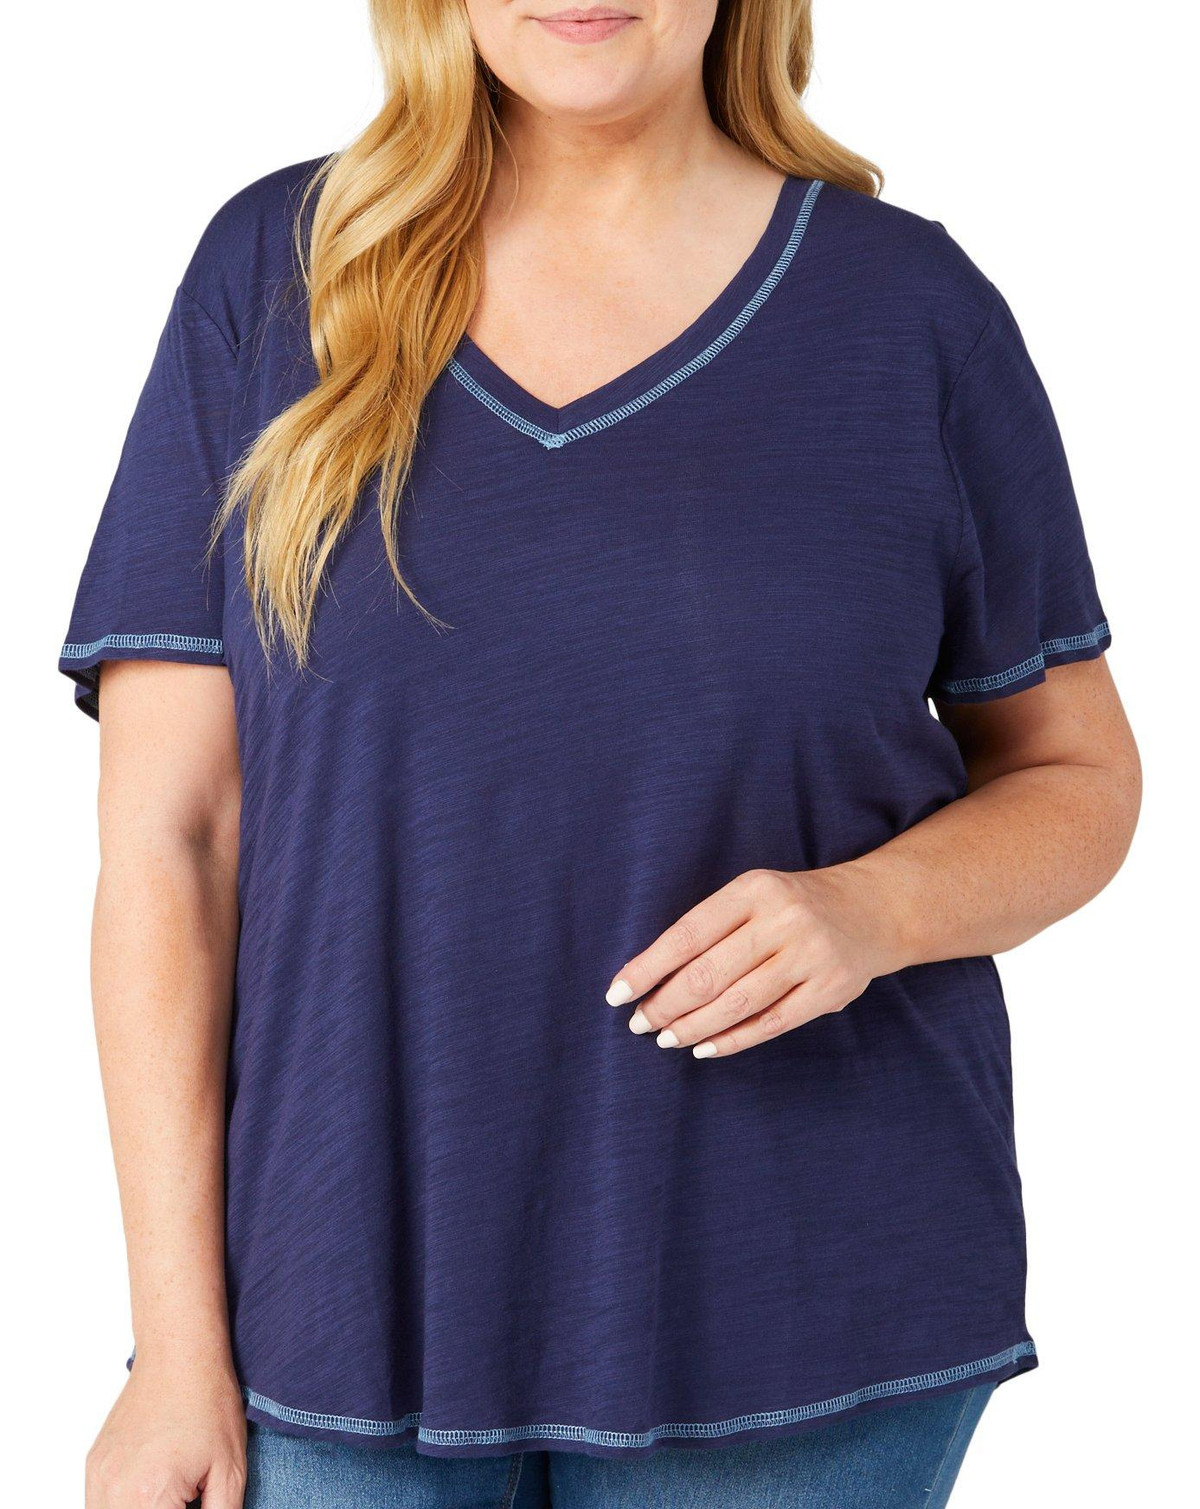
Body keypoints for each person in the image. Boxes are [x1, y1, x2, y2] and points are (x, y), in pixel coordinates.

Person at [62, 2, 1141, 1506]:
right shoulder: (279, 272)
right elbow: (173, 843)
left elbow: (1079, 777)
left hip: (797, 1300)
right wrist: (173, 1348)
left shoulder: (912, 314)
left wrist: (874, 909)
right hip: (337, 1294)